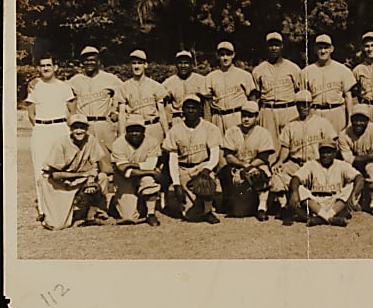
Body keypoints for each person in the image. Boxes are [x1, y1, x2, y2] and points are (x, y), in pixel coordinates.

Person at [269, 90, 338, 225]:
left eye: (306, 104)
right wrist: (280, 162)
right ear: (296, 106)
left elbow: (332, 144)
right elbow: (285, 148)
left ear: (311, 105)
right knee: (277, 174)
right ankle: (284, 206)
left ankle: (309, 208)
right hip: (296, 163)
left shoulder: (322, 122)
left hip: (315, 163)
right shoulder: (290, 125)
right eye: (300, 104)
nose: (303, 107)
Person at [24, 54, 75, 219]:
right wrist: (42, 126)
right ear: (39, 68)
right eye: (42, 65)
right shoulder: (34, 87)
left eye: (48, 65)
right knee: (40, 168)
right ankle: (43, 209)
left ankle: (63, 207)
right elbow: (31, 114)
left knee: (63, 167)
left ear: (55, 67)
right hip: (41, 129)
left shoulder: (64, 87)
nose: (46, 68)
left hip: (60, 128)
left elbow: (72, 111)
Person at [37, 114, 109, 230]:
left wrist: (90, 178)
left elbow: (95, 164)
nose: (79, 131)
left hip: (79, 179)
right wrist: (83, 175)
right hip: (57, 184)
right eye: (75, 128)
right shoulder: (61, 143)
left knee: (102, 177)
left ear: (87, 128)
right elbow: (55, 175)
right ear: (70, 129)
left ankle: (94, 212)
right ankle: (55, 214)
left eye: (82, 127)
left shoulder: (91, 140)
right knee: (58, 225)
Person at [162, 94, 223, 223]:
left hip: (201, 166)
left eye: (194, 108)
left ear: (200, 110)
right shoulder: (175, 130)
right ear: (182, 110)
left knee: (207, 181)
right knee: (190, 215)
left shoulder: (210, 128)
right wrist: (176, 184)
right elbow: (173, 159)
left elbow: (215, 155)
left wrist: (207, 170)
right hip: (183, 169)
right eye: (187, 107)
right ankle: (194, 204)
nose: (190, 110)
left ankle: (208, 210)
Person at [68, 45, 125, 175]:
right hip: (84, 125)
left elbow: (124, 92)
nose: (89, 63)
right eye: (86, 60)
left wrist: (115, 109)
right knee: (85, 160)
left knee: (107, 161)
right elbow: (62, 93)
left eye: (92, 60)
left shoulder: (110, 79)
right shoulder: (75, 80)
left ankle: (109, 185)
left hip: (103, 123)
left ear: (98, 61)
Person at [219, 101, 276, 219]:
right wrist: (243, 166)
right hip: (238, 165)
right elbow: (228, 156)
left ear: (257, 117)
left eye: (250, 116)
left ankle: (262, 207)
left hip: (256, 165)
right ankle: (229, 202)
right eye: (244, 115)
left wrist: (249, 167)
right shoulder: (232, 131)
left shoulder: (263, 133)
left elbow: (263, 157)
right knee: (238, 211)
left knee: (261, 174)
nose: (246, 119)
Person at [288, 140, 364, 227]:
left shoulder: (341, 165)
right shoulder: (312, 164)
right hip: (316, 203)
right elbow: (296, 178)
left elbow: (359, 177)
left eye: (328, 152)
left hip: (335, 202)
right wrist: (295, 193)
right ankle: (329, 218)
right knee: (299, 189)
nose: (325, 155)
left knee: (353, 186)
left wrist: (353, 194)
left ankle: (321, 218)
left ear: (335, 153)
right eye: (323, 152)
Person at [110, 114, 163, 226]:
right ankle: (115, 201)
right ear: (126, 131)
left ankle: (151, 213)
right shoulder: (118, 144)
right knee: (129, 217)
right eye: (131, 130)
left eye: (138, 130)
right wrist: (151, 171)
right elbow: (125, 171)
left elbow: (151, 165)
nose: (134, 133)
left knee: (148, 179)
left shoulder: (152, 141)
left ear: (143, 131)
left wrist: (131, 165)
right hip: (124, 179)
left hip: (143, 176)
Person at [252, 32, 300, 153]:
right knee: (269, 146)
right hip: (268, 110)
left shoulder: (293, 68)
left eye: (277, 45)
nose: (274, 48)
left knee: (291, 144)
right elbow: (255, 95)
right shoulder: (259, 70)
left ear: (282, 46)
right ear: (266, 47)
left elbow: (299, 91)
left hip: (289, 109)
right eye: (271, 45)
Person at [337, 104, 373, 215]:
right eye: (355, 119)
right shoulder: (344, 134)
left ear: (368, 120)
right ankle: (358, 196)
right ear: (351, 120)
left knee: (372, 167)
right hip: (355, 166)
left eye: (362, 120)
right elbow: (347, 160)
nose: (358, 123)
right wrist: (368, 157)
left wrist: (357, 159)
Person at [299, 34, 355, 133]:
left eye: (326, 48)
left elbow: (348, 97)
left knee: (337, 140)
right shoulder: (306, 72)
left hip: (336, 112)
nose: (323, 51)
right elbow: (303, 98)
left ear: (332, 49)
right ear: (315, 49)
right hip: (315, 112)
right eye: (320, 48)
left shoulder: (342, 70)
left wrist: (350, 120)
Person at [205, 41, 258, 133]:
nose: (225, 58)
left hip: (237, 116)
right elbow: (207, 104)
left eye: (228, 54)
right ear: (217, 56)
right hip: (218, 118)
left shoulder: (244, 75)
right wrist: (207, 123)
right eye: (222, 55)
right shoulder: (210, 77)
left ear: (233, 55)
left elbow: (252, 99)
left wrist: (253, 119)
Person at [119, 49, 169, 146]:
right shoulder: (124, 87)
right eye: (134, 63)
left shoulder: (156, 86)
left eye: (140, 63)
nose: (136, 66)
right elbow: (122, 115)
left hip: (153, 127)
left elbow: (162, 113)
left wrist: (167, 135)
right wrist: (121, 136)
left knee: (156, 154)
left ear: (145, 65)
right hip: (135, 130)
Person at [162, 50, 206, 124]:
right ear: (176, 65)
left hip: (196, 119)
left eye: (186, 63)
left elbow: (206, 104)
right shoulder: (169, 82)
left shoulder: (201, 80)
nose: (183, 66)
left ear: (191, 64)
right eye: (180, 63)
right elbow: (162, 103)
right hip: (178, 118)